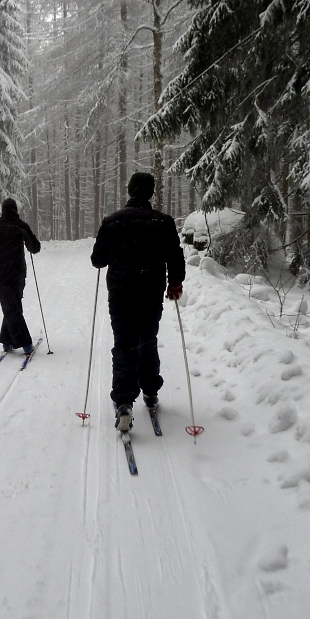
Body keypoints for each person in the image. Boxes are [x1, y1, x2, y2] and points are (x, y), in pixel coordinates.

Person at [91, 172, 185, 430]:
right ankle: (151, 390)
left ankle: (123, 402)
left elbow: (97, 260)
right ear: (150, 193)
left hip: (120, 293)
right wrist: (175, 283)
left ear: (130, 190)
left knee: (123, 345)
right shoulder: (162, 222)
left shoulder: (112, 222)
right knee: (147, 340)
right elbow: (175, 256)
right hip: (150, 293)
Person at [0, 197, 41, 355]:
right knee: (13, 306)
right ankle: (25, 342)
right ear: (16, 210)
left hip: (0, 273)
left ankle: (7, 340)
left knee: (11, 307)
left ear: (2, 210)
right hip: (17, 273)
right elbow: (34, 248)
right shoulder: (21, 226)